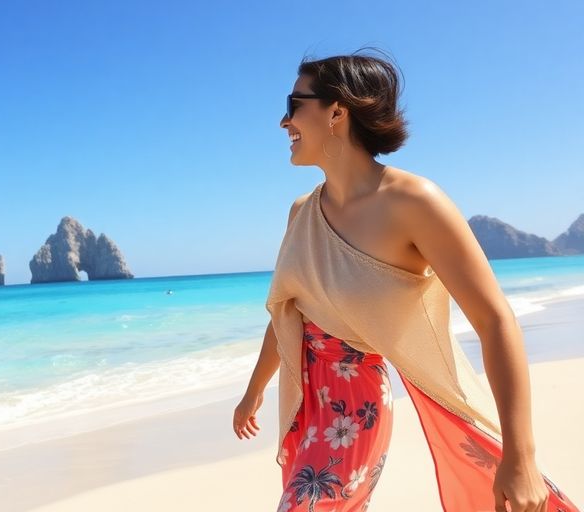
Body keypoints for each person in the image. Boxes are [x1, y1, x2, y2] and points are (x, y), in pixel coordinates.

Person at [231, 52, 577, 512]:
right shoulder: (301, 212)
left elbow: (494, 320)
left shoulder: (414, 202)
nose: (282, 121)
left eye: (294, 104)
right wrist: (254, 391)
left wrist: (522, 456)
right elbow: (290, 311)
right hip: (304, 405)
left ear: (337, 111)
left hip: (352, 412)